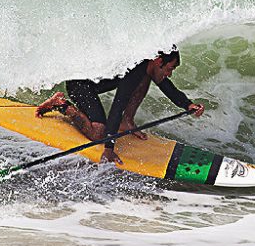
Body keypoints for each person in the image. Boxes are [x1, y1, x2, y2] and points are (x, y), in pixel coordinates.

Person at [35, 47, 204, 164]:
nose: (170, 73)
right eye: (169, 68)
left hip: (92, 84)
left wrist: (188, 105)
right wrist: (109, 148)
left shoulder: (147, 64)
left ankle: (127, 121)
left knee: (146, 78)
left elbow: (165, 85)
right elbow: (117, 107)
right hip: (80, 86)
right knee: (98, 134)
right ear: (158, 60)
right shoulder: (133, 70)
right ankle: (62, 104)